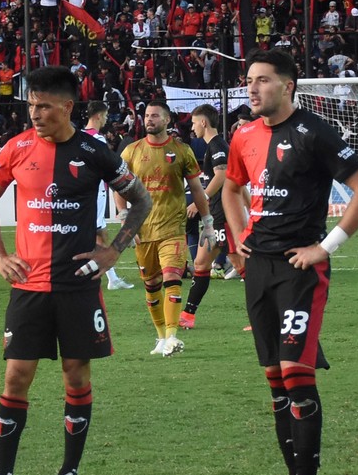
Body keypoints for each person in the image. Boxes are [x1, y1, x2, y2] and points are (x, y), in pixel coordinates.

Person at [0, 67, 152, 475]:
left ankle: (69, 474)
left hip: (78, 286)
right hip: (28, 285)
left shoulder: (95, 151)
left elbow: (140, 200)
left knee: (76, 373)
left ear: (68, 107)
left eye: (45, 105)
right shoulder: (16, 148)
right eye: (31, 104)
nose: (35, 112)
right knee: (16, 376)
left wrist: (114, 252)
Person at [223, 50, 358, 475]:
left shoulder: (317, 132)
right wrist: (237, 241)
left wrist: (325, 247)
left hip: (299, 269)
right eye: (249, 80)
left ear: (289, 86)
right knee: (274, 377)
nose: (253, 89)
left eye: (264, 80)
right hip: (259, 269)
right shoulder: (244, 134)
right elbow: (231, 189)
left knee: (296, 374)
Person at [118, 100, 215, 356]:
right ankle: (161, 336)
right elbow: (118, 185)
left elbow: (197, 189)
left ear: (167, 120)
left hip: (173, 227)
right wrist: (124, 217)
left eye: (155, 116)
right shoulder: (131, 151)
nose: (149, 119)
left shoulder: (182, 151)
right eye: (147, 116)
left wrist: (208, 222)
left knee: (172, 278)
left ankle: (172, 336)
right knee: (151, 287)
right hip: (143, 230)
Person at [181, 103, 243, 330]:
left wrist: (202, 200)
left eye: (194, 123)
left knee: (241, 265)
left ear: (204, 122)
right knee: (200, 262)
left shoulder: (217, 145)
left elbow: (223, 174)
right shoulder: (213, 146)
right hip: (214, 218)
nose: (192, 127)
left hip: (224, 217)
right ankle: (187, 315)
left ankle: (266, 315)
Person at [82, 101, 135, 291]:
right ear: (97, 116)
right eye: (104, 116)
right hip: (96, 191)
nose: (105, 120)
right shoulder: (97, 138)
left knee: (94, 234)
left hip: (86, 191)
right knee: (98, 234)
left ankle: (111, 278)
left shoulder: (79, 136)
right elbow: (106, 166)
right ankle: (110, 278)